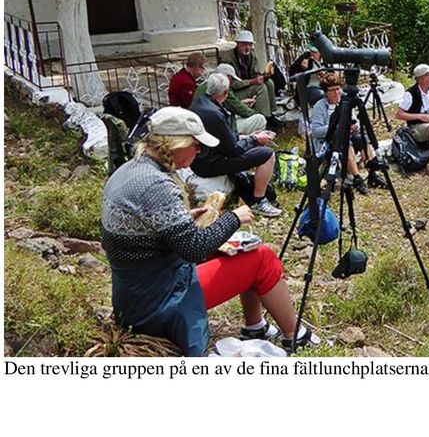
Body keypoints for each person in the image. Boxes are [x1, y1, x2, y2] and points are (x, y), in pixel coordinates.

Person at [99, 107, 319, 356]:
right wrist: (234, 218)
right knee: (261, 258)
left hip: (133, 295)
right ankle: (295, 335)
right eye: (197, 145)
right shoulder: (157, 184)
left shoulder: (129, 171)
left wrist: (183, 220)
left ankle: (255, 327)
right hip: (160, 301)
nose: (200, 151)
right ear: (176, 144)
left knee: (242, 248)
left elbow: (137, 232)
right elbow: (194, 248)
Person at [190, 72, 282, 216]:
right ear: (225, 93)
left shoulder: (199, 103)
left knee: (254, 144)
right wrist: (255, 140)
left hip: (200, 159)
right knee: (267, 154)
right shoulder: (214, 114)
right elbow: (233, 150)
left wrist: (246, 137)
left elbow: (223, 138)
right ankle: (259, 201)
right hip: (209, 164)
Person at [310, 74, 386, 192]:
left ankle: (372, 173)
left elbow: (355, 120)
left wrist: (354, 126)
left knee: (363, 139)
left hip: (349, 133)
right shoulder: (319, 107)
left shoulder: (345, 102)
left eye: (338, 88)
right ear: (326, 92)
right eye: (332, 90)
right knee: (347, 144)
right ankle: (356, 178)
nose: (336, 93)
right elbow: (315, 131)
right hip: (331, 139)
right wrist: (337, 127)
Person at [221, 30, 279, 125]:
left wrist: (264, 76)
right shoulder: (228, 59)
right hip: (234, 91)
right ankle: (263, 117)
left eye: (249, 44)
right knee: (260, 87)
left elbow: (255, 72)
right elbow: (232, 84)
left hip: (246, 84)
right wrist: (252, 81)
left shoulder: (251, 55)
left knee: (269, 83)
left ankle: (272, 113)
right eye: (244, 44)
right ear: (237, 44)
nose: (247, 47)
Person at [192, 62, 266, 134]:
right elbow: (240, 110)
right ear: (227, 77)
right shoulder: (222, 87)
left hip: (201, 126)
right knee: (260, 119)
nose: (232, 82)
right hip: (216, 129)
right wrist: (255, 113)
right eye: (232, 79)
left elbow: (225, 105)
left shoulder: (202, 86)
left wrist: (241, 103)